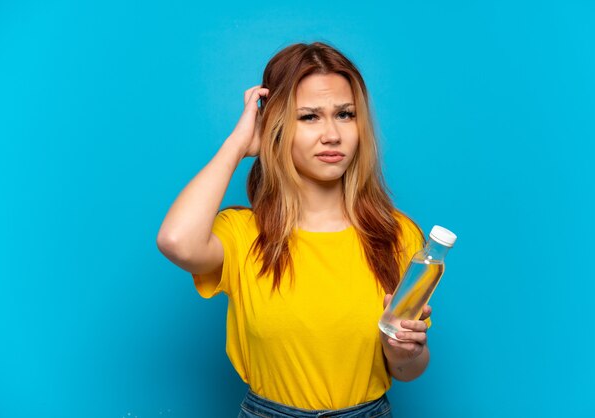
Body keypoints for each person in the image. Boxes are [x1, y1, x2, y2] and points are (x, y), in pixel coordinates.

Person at [157, 41, 432, 418]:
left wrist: (406, 352)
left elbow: (407, 372)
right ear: (276, 126)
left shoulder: (397, 234)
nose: (332, 134)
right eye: (309, 117)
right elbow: (176, 241)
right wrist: (237, 145)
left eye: (346, 114)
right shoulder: (243, 234)